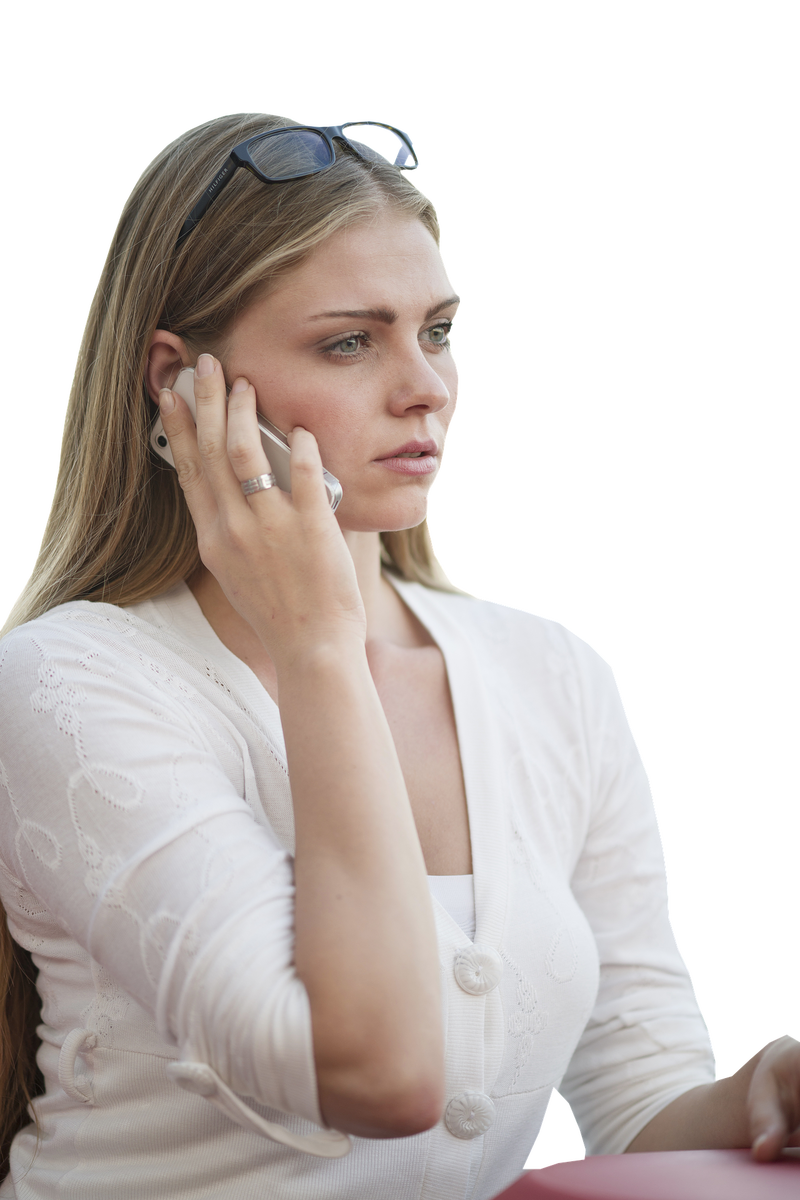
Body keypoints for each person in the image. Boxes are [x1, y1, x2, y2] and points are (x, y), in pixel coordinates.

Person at [0, 110, 797, 1199]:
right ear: (177, 380)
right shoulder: (71, 679)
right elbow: (374, 1076)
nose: (426, 386)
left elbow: (636, 1109)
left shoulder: (556, 673)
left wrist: (757, 1096)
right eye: (349, 342)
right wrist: (318, 645)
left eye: (440, 330)